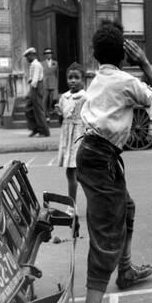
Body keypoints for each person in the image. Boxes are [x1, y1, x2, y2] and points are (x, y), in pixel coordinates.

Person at [74, 20, 152, 303]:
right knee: (105, 239)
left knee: (126, 208)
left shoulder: (97, 78)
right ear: (125, 56)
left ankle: (125, 271)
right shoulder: (127, 81)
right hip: (102, 158)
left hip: (91, 154)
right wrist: (144, 62)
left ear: (95, 54)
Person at [55, 62, 86, 210]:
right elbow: (62, 117)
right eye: (70, 78)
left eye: (76, 77)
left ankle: (83, 205)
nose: (73, 81)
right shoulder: (64, 97)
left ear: (83, 80)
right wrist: (59, 113)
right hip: (67, 136)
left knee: (80, 172)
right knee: (70, 172)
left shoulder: (85, 97)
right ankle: (72, 206)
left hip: (79, 135)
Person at [23, 47, 50, 137]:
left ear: (32, 55)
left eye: (28, 56)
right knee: (28, 108)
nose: (27, 59)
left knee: (38, 110)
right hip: (34, 88)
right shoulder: (33, 65)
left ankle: (44, 131)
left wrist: (30, 92)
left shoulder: (36, 65)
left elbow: (34, 80)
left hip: (36, 87)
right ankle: (35, 128)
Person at [41, 47, 59, 120]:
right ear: (45, 55)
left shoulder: (55, 63)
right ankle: (46, 115)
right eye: (47, 53)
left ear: (51, 54)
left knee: (53, 99)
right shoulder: (41, 63)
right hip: (45, 83)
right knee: (45, 99)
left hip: (53, 83)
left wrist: (57, 84)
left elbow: (57, 74)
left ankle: (52, 113)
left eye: (50, 53)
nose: (48, 55)